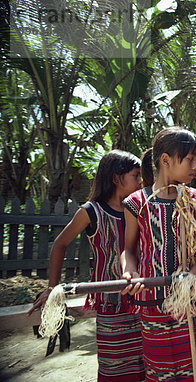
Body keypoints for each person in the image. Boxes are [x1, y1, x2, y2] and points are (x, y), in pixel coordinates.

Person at [29, 150, 145, 381]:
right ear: (116, 178)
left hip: (143, 298)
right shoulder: (91, 211)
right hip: (110, 303)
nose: (141, 181)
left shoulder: (140, 208)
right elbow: (60, 244)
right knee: (115, 368)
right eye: (136, 175)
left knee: (146, 366)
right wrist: (53, 288)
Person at [120, 127, 196, 381]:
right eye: (190, 159)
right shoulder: (135, 203)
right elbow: (129, 249)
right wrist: (128, 270)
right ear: (165, 160)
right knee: (162, 373)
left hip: (194, 304)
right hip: (153, 305)